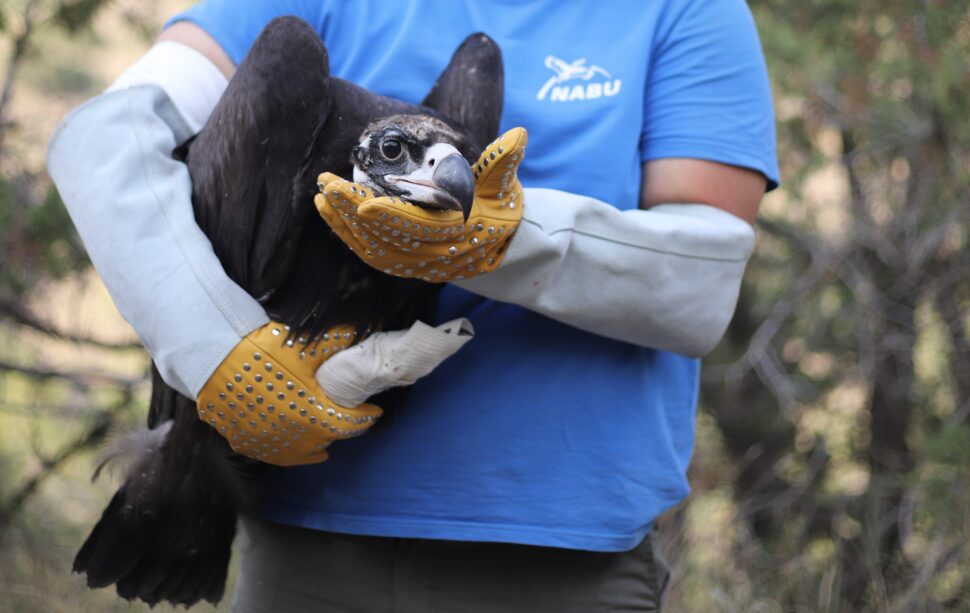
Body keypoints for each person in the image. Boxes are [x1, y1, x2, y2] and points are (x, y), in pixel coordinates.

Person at [48, 0, 778, 610]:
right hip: (302, 539)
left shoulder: (684, 10)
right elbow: (104, 140)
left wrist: (495, 239)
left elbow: (701, 286)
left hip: (563, 567)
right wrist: (216, 353)